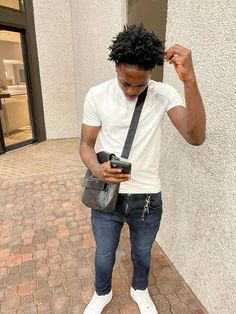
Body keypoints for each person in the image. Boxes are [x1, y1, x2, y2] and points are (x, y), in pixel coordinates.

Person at [80, 24, 206, 314]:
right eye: (126, 82)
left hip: (147, 200)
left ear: (151, 73)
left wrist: (190, 81)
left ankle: (140, 289)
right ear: (116, 66)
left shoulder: (164, 94)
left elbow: (195, 137)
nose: (132, 90)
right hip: (107, 197)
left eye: (140, 84)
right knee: (103, 254)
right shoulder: (97, 95)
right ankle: (102, 293)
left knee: (142, 253)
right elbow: (85, 145)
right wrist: (98, 170)